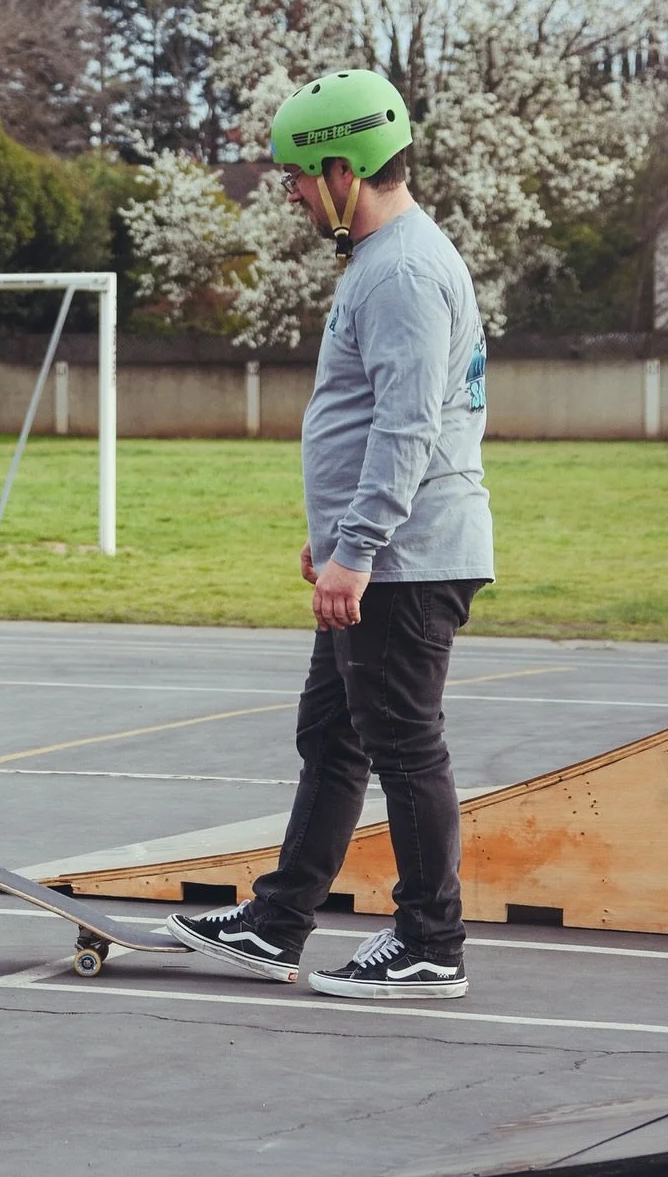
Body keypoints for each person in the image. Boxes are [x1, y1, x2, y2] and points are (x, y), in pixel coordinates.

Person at [168, 70, 492, 999]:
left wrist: (358, 549)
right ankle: (277, 925)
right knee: (333, 735)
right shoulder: (388, 262)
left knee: (402, 745)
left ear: (344, 168)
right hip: (383, 548)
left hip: (407, 558)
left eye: (299, 176)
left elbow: (407, 427)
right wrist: (341, 535)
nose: (293, 193)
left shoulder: (401, 270)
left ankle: (432, 944)